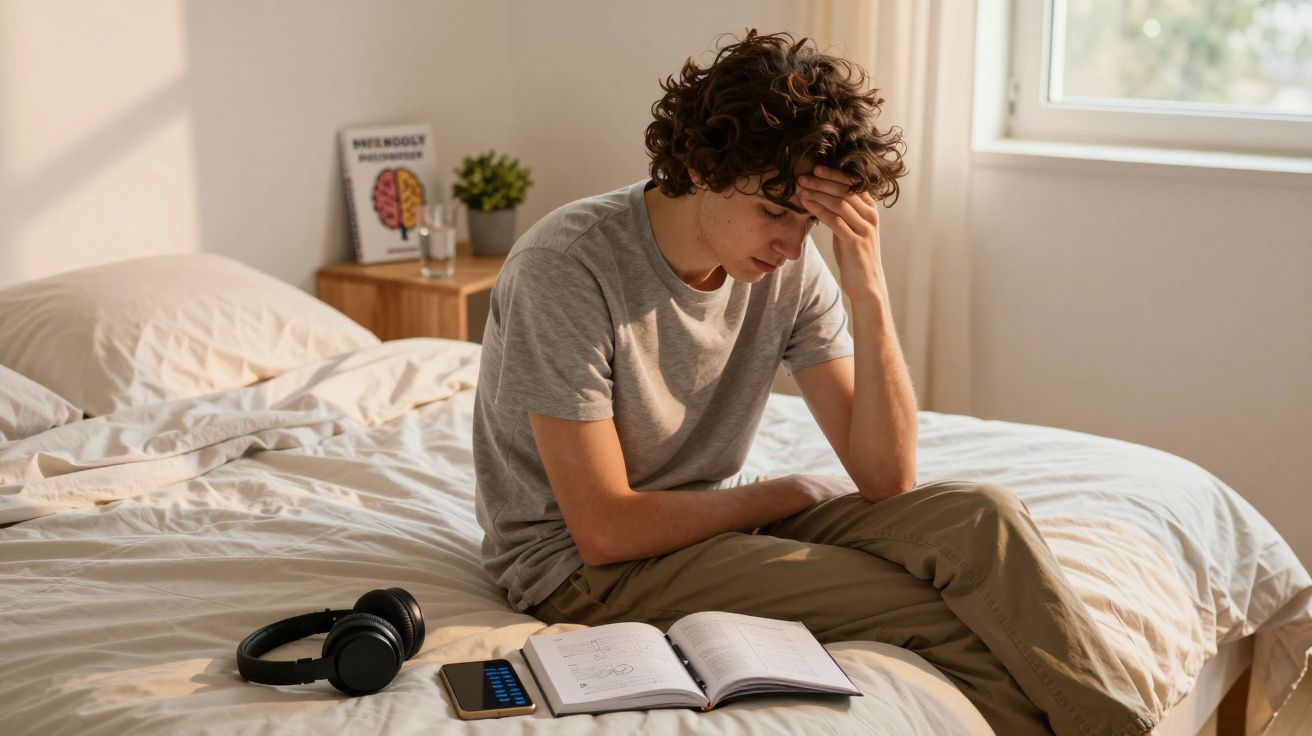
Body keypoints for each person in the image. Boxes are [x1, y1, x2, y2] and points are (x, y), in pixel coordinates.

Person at [472, 30, 1155, 736]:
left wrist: (871, 293)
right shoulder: (566, 268)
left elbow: (887, 476)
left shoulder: (786, 266)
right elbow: (605, 529)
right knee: (929, 608)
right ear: (702, 168)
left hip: (700, 522)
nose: (792, 246)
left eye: (810, 222)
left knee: (984, 516)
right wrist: (789, 492)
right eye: (774, 212)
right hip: (581, 569)